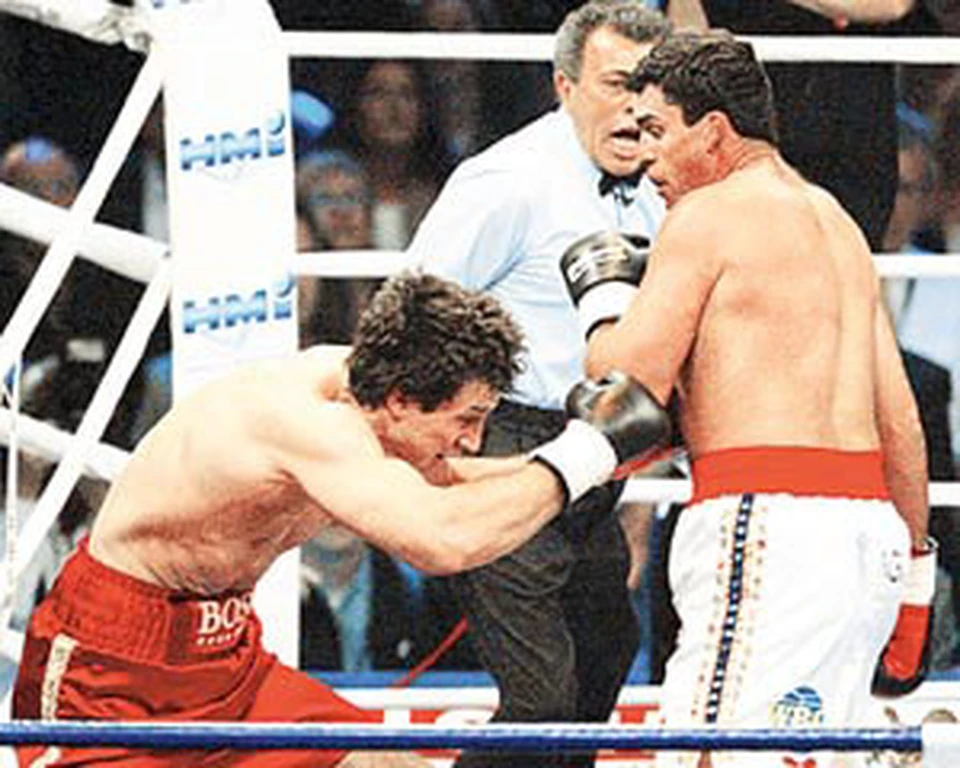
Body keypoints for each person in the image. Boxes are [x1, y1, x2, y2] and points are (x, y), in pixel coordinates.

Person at [12, 271, 670, 768]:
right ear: (402, 400)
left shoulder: (366, 403)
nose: (472, 441)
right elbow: (442, 538)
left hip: (224, 658)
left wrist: (593, 456)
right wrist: (588, 452)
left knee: (387, 766)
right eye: (466, 419)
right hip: (111, 666)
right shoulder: (307, 424)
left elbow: (443, 480)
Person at [562, 31, 935, 768]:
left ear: (713, 131)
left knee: (706, 753)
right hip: (866, 538)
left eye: (657, 131)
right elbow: (899, 421)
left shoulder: (707, 215)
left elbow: (624, 390)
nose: (646, 159)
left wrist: (602, 301)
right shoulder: (836, 225)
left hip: (767, 529)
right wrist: (916, 573)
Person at [406, 3, 671, 766]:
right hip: (504, 441)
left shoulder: (661, 181)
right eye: (618, 84)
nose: (636, 107)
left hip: (598, 444)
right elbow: (415, 309)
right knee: (541, 698)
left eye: (650, 87)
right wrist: (439, 443)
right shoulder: (508, 181)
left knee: (606, 652)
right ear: (565, 85)